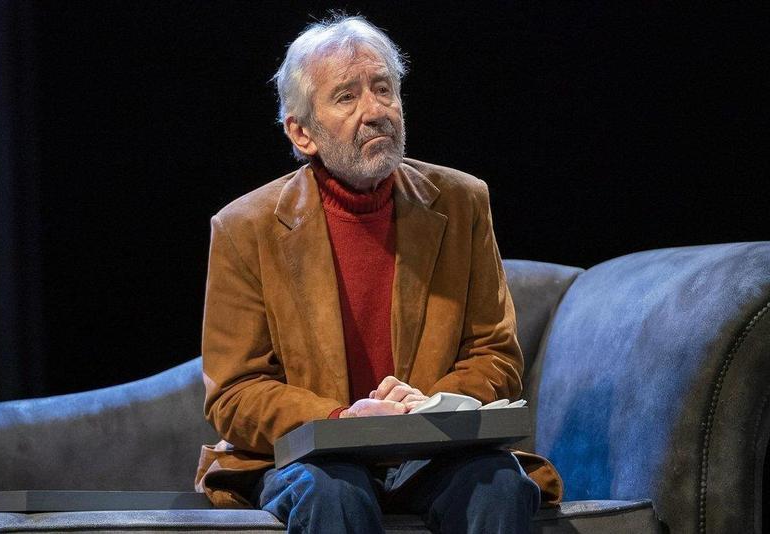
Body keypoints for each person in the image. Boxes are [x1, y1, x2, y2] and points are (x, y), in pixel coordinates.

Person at [195, 14, 559, 534]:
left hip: (434, 449)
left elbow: (495, 355)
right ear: (302, 132)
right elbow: (235, 392)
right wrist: (343, 422)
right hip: (312, 459)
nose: (376, 111)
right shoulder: (244, 228)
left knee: (499, 485)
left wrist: (427, 409)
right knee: (334, 492)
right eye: (347, 97)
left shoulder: (462, 202)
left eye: (383, 89)